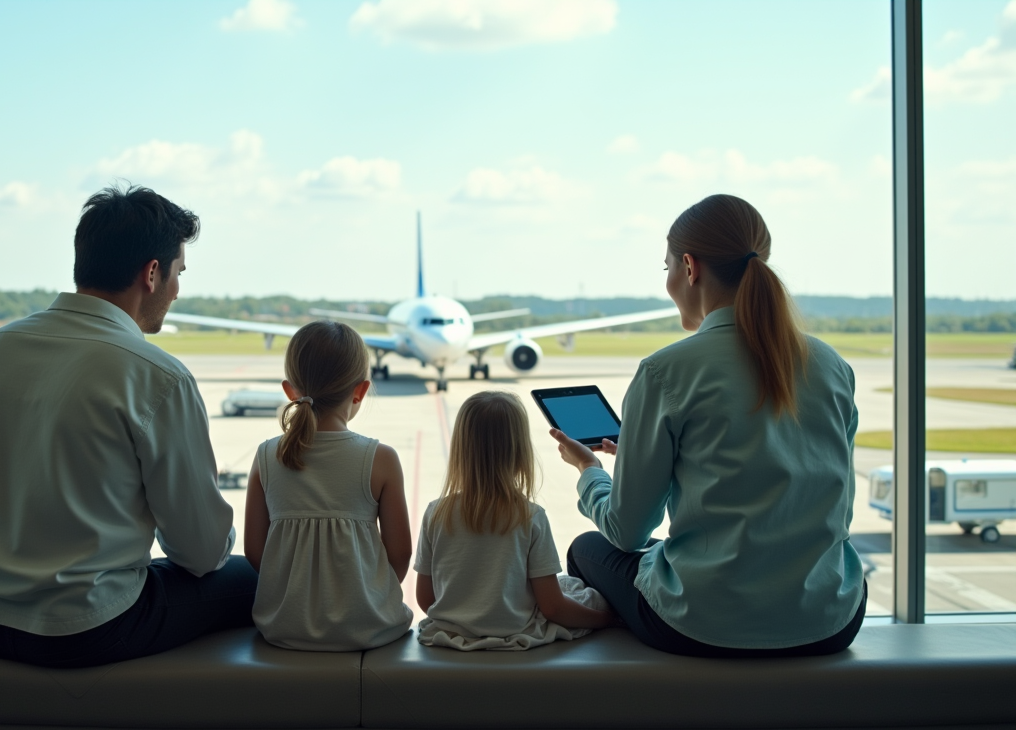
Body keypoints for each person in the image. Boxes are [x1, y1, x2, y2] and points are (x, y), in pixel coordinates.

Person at [0, 184, 257, 668]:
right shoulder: (157, 375)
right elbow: (201, 550)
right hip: (87, 627)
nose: (176, 290)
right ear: (152, 273)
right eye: (178, 274)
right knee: (260, 578)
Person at [550, 194, 865, 658]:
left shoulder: (666, 371)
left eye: (667, 269)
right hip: (830, 620)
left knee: (586, 548)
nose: (669, 281)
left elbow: (626, 532)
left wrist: (588, 471)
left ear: (690, 267)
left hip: (704, 624)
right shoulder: (831, 365)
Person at [244, 320, 413, 651]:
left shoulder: (266, 456)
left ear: (290, 391)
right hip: (370, 627)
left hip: (283, 627)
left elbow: (255, 552)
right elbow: (400, 555)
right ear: (360, 391)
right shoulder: (380, 458)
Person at [414, 391, 615, 651]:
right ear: (520, 454)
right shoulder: (530, 516)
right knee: (582, 592)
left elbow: (426, 598)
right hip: (515, 631)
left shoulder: (436, 513)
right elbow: (553, 607)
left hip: (451, 632)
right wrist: (607, 619)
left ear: (461, 451)